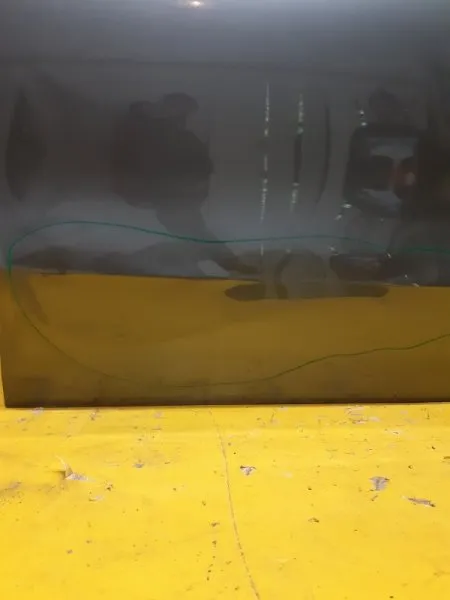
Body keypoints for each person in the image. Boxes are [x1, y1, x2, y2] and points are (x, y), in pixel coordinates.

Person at [112, 93, 256, 276]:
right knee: (193, 233)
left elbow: (200, 169)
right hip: (168, 200)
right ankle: (226, 263)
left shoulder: (173, 137)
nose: (185, 120)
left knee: (193, 234)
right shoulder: (162, 138)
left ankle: (225, 263)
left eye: (187, 116)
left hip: (169, 200)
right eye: (184, 115)